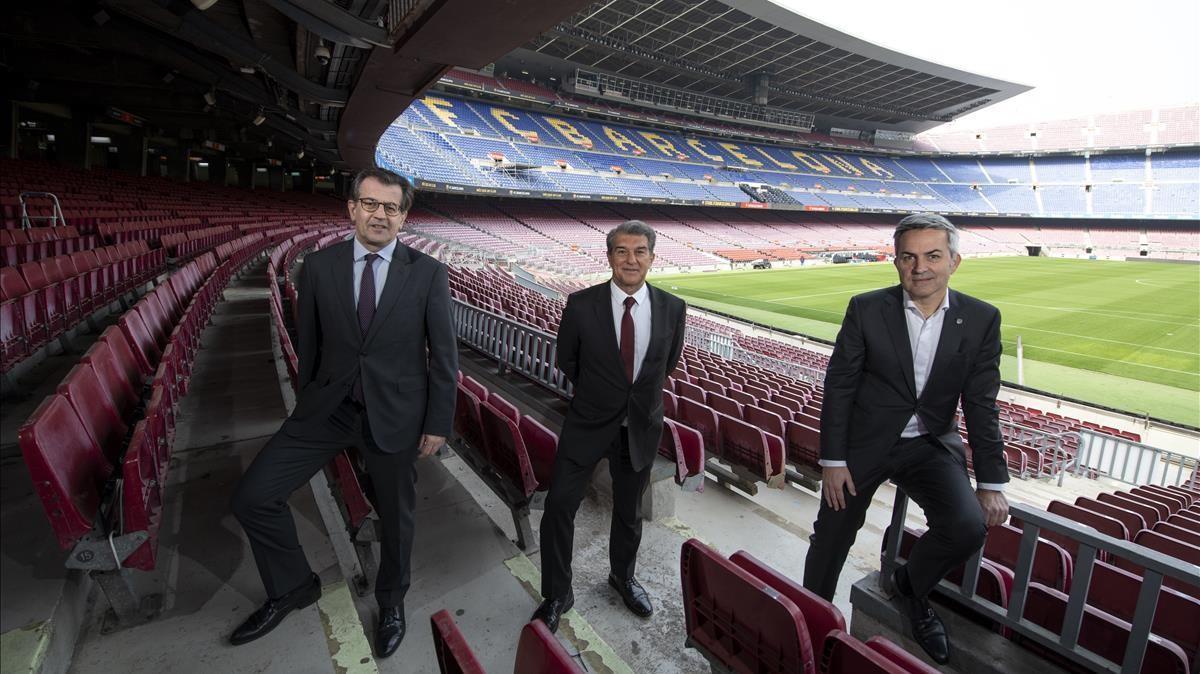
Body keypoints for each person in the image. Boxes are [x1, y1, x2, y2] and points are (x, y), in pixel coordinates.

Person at [229, 167, 457, 658]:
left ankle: (391, 601)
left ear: (404, 217)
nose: (380, 214)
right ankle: (292, 585)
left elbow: (444, 355)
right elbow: (308, 341)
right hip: (328, 408)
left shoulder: (427, 272)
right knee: (253, 496)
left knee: (397, 520)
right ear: (351, 208)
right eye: (370, 204)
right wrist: (311, 394)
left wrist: (438, 423)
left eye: (391, 207)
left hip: (395, 414)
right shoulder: (319, 266)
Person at [802, 213, 1009, 665]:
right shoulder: (866, 307)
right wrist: (833, 460)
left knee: (967, 527)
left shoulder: (980, 319)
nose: (921, 268)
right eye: (908, 257)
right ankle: (811, 618)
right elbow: (839, 386)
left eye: (933, 256)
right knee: (832, 535)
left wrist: (992, 481)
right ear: (895, 262)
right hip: (863, 446)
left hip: (929, 445)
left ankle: (911, 589)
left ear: (955, 261)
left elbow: (980, 403)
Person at [532, 220, 687, 633]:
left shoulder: (673, 308)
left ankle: (622, 577)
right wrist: (601, 395)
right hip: (587, 423)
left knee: (629, 511)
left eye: (640, 251)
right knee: (559, 506)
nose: (631, 259)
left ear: (652, 257)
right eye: (622, 251)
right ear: (609, 257)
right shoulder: (581, 305)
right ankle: (557, 593)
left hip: (639, 426)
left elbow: (665, 365)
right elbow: (568, 361)